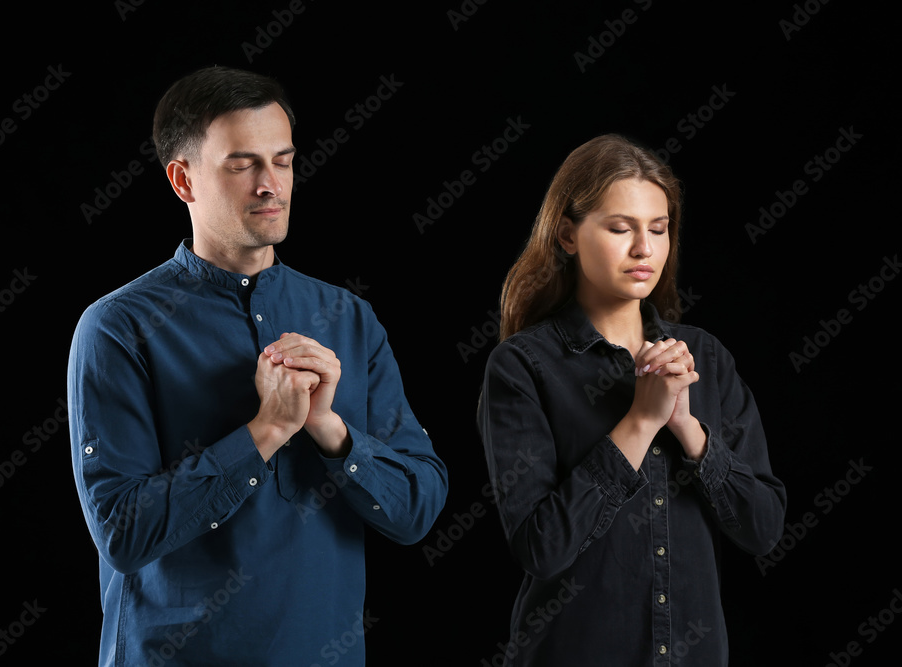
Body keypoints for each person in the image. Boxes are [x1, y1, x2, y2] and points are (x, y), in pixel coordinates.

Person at [67, 66, 447, 666]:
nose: (272, 184)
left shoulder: (349, 317)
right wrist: (265, 431)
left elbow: (417, 510)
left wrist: (331, 431)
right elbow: (123, 533)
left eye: (284, 160)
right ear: (182, 179)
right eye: (243, 164)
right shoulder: (117, 329)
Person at [477, 134, 786, 666]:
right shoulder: (522, 366)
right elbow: (541, 547)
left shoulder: (706, 358)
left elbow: (763, 530)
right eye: (620, 229)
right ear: (568, 234)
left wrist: (689, 431)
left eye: (659, 230)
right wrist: (641, 421)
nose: (644, 249)